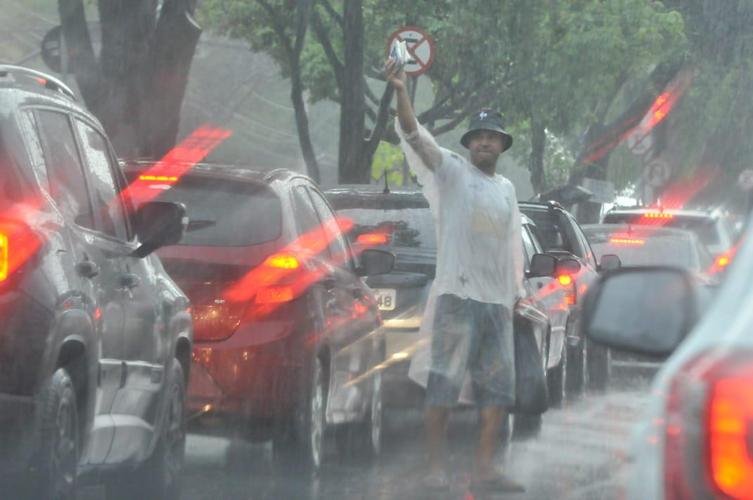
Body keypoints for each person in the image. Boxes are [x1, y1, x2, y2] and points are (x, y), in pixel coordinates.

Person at [384, 59, 527, 493]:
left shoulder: (506, 190)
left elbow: (512, 247)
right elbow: (416, 137)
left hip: (496, 304)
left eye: (492, 137)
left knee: (497, 392)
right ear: (469, 143)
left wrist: (516, 293)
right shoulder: (450, 172)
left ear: (502, 145)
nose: (485, 142)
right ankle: (434, 468)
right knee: (442, 384)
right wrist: (402, 93)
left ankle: (485, 468)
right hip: (456, 298)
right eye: (479, 136)